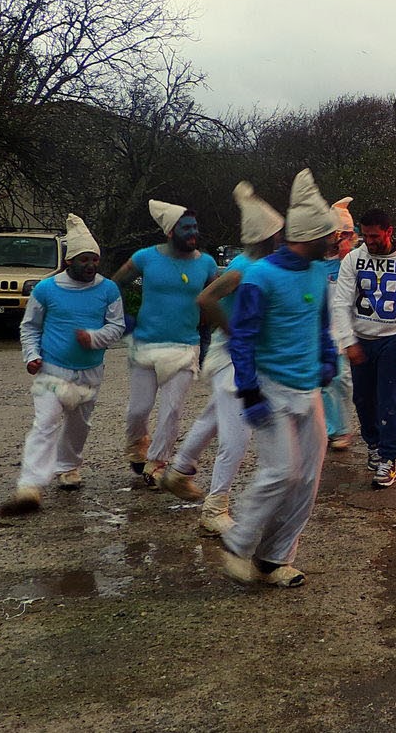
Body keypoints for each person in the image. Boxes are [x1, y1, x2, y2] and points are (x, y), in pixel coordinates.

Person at [218, 169, 339, 587]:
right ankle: (237, 542)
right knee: (280, 472)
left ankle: (272, 559)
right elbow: (243, 338)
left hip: (309, 389)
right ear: (311, 236)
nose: (335, 242)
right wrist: (250, 390)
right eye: (330, 236)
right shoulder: (260, 276)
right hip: (269, 388)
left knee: (307, 480)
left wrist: (327, 360)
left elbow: (320, 324)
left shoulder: (317, 273)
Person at [159, 182, 286, 532]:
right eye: (279, 234)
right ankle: (215, 508)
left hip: (237, 354)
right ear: (268, 238)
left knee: (213, 417)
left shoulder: (260, 264)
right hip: (231, 356)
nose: (282, 239)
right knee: (238, 434)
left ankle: (180, 469)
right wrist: (234, 332)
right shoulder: (245, 268)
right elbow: (205, 300)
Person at [0, 215, 126, 516]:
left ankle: (68, 467)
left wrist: (94, 338)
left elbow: (116, 326)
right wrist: (31, 356)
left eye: (94, 259)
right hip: (51, 369)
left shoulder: (108, 290)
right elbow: (29, 327)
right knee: (46, 423)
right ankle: (30, 486)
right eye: (84, 259)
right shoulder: (46, 289)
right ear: (69, 261)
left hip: (90, 370)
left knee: (79, 423)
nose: (91, 265)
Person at [111, 199, 219, 484]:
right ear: (171, 231)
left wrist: (210, 325)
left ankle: (158, 462)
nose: (193, 232)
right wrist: (122, 316)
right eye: (186, 228)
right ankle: (137, 447)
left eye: (195, 227)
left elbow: (217, 296)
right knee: (138, 410)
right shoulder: (146, 257)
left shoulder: (206, 263)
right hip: (144, 344)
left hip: (185, 346)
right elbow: (115, 283)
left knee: (172, 411)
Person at [332, 208, 396, 489]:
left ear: (389, 232)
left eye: (375, 236)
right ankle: (374, 444)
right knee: (363, 400)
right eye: (365, 235)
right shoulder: (354, 259)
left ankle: (388, 459)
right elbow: (341, 302)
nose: (369, 241)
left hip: (395, 339)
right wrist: (348, 340)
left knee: (389, 398)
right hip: (362, 339)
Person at [321, 197, 358, 451]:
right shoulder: (317, 263)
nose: (340, 240)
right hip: (322, 331)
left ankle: (341, 427)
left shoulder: (355, 261)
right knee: (327, 381)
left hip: (347, 330)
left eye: (345, 235)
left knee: (343, 381)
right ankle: (333, 429)